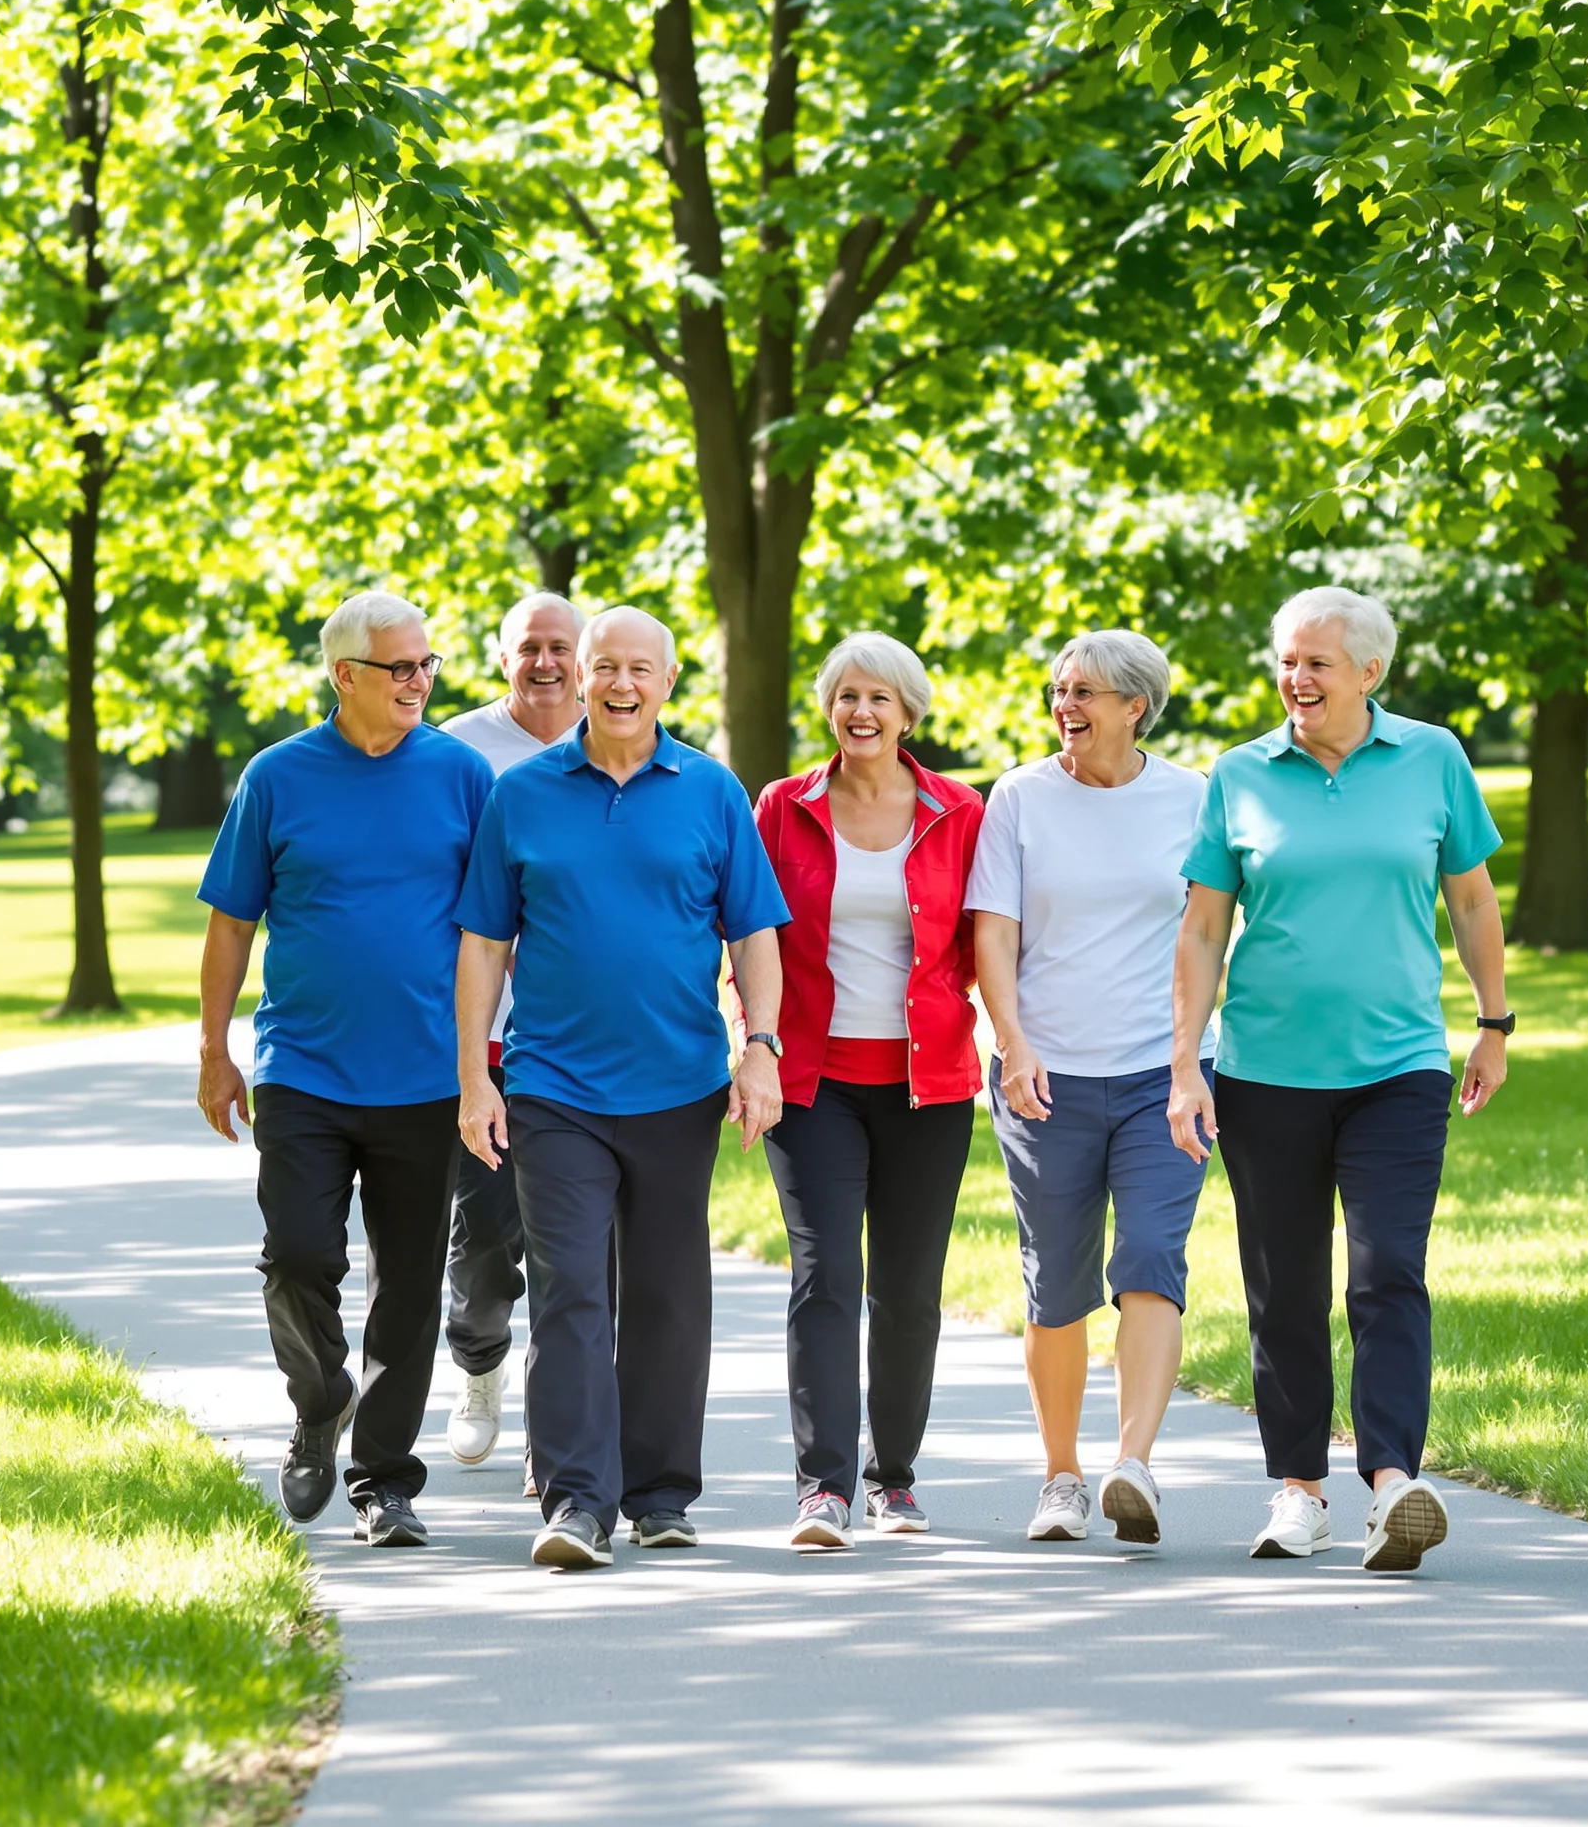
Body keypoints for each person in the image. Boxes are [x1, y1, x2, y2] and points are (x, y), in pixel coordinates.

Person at [1168, 585, 1510, 1572]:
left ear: (1368, 670)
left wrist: (1493, 1022)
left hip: (1397, 1065)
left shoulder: (1431, 757)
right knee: (1281, 1286)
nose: (1296, 677)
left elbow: (1473, 898)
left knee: (1386, 1270)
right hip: (1264, 1070)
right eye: (1286, 659)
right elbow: (1200, 928)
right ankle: (1297, 1491)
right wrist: (1185, 1061)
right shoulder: (1239, 774)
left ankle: (1392, 1478)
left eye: (1317, 661)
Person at [453, 606, 790, 1571]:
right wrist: (476, 1075)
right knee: (568, 1295)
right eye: (604, 667)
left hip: (678, 1084)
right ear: (583, 679)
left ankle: (659, 1494)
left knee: (668, 1296)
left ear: (668, 683)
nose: (618, 684)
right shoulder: (522, 794)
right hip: (553, 1085)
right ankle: (574, 1501)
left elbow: (754, 933)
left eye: (639, 669)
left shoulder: (711, 793)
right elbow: (484, 941)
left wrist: (758, 1046)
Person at [196, 591, 492, 1547]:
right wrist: (214, 1052)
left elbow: (497, 928)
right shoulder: (277, 777)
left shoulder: (461, 774)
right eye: (400, 668)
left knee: (407, 1286)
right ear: (346, 675)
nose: (418, 683)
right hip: (303, 1069)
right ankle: (320, 1399)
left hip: (427, 1076)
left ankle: (383, 1482)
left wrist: (485, 1059)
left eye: (427, 665)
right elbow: (232, 920)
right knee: (297, 1256)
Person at [966, 630, 1215, 1547]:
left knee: (1152, 1258)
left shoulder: (1192, 797)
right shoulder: (1021, 796)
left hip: (1166, 1076)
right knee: (1056, 1280)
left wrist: (1192, 1060)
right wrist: (1012, 1042)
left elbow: (1213, 930)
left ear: (1134, 705)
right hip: (1046, 1075)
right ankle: (1062, 1475)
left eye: (1085, 693)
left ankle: (1133, 1465)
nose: (1065, 706)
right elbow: (993, 932)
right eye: (1059, 691)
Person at [754, 633, 984, 1550]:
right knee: (825, 1278)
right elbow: (750, 933)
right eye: (847, 696)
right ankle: (824, 1488)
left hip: (928, 1083)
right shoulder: (783, 807)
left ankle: (894, 1479)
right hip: (813, 1082)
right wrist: (754, 1047)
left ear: (909, 714)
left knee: (908, 1289)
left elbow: (989, 937)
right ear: (829, 709)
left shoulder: (959, 811)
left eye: (880, 699)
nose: (861, 712)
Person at [438, 591, 585, 1478]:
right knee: (483, 1240)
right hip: (486, 1040)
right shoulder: (456, 752)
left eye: (560, 647)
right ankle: (480, 1366)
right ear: (502, 660)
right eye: (528, 647)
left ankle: (560, 1431)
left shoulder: (616, 740)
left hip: (582, 1043)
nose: (545, 663)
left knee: (577, 1248)